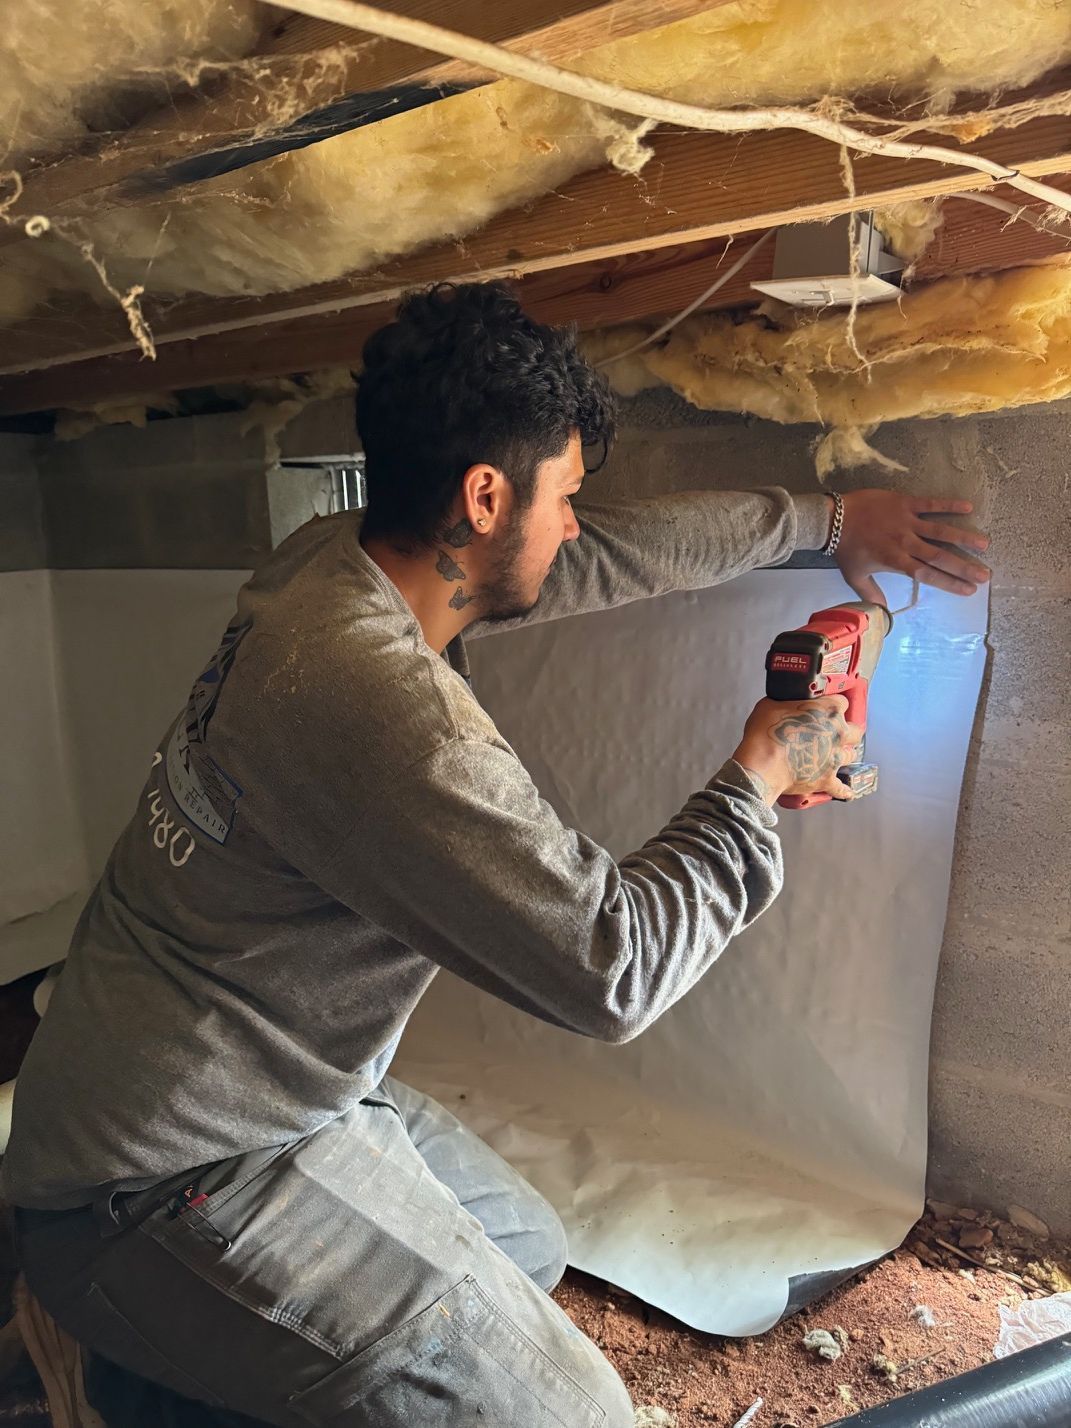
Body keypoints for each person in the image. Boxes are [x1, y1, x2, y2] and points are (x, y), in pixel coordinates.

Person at [3, 282, 990, 1428]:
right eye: (565, 494)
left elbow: (606, 556)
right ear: (483, 495)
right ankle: (114, 1371)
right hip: (161, 1177)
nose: (576, 520)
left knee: (522, 1241)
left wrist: (824, 524)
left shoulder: (331, 563)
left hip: (249, 1084)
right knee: (574, 1414)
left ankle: (196, 1353)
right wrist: (756, 781)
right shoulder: (378, 710)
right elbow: (609, 966)